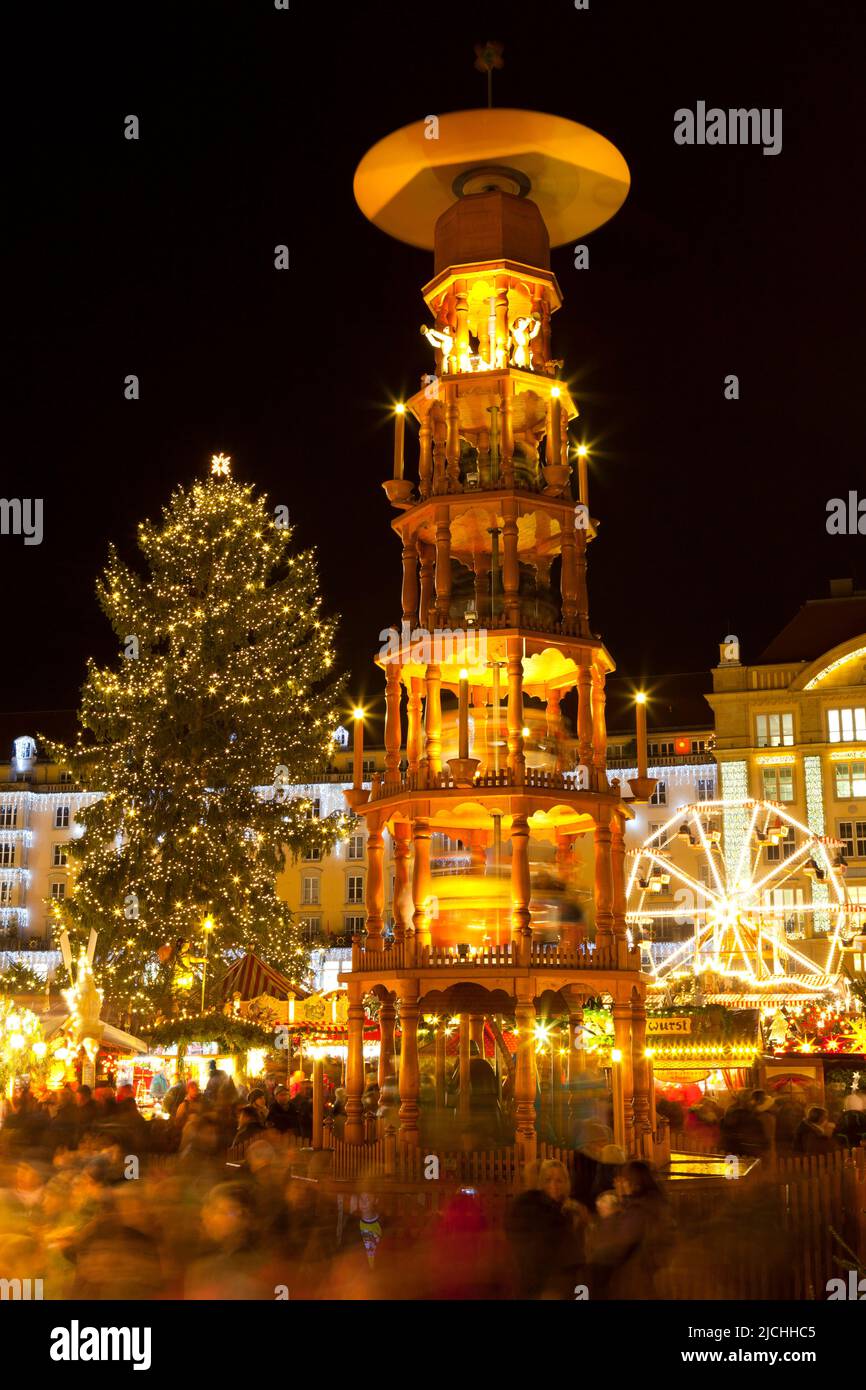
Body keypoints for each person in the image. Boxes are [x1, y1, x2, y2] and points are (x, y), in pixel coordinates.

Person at [587, 1160, 674, 1299]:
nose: (619, 1183)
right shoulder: (652, 1202)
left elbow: (616, 1246)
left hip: (637, 1282)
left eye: (625, 1180)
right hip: (646, 1278)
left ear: (635, 1183)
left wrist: (609, 1216)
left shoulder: (640, 1210)